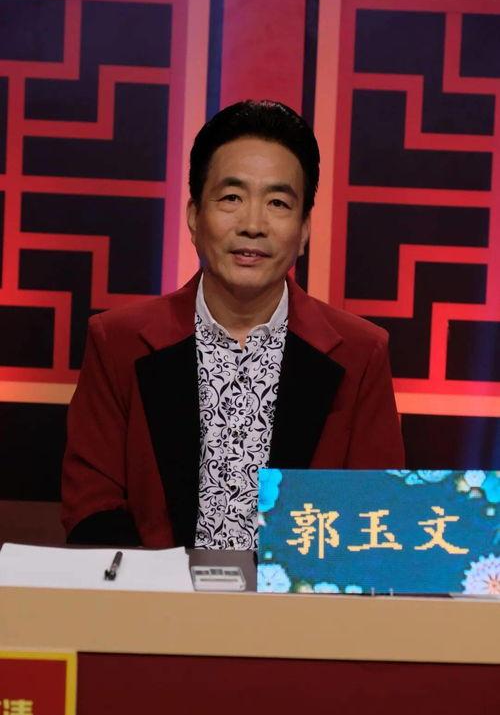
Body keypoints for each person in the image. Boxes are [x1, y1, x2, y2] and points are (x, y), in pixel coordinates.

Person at [61, 100, 405, 548]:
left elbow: (375, 516)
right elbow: (92, 505)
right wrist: (158, 588)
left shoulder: (361, 352)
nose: (253, 225)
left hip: (298, 593)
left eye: (278, 202)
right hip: (156, 591)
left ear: (303, 230)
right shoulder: (118, 342)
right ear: (194, 217)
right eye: (231, 198)